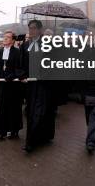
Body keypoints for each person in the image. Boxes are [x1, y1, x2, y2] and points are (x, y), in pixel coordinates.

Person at [21, 19, 57, 152]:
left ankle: (31, 141)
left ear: (40, 30)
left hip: (44, 85)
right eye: (30, 28)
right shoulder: (25, 45)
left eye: (34, 28)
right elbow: (21, 64)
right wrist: (23, 76)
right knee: (31, 112)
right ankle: (39, 137)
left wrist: (44, 75)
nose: (31, 30)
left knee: (39, 112)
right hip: (30, 85)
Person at [0, 31, 24, 140]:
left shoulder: (18, 52)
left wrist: (10, 76)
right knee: (1, 108)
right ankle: (2, 131)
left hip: (13, 86)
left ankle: (14, 131)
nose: (4, 39)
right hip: (1, 86)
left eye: (7, 37)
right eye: (4, 37)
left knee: (13, 108)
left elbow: (19, 68)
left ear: (13, 40)